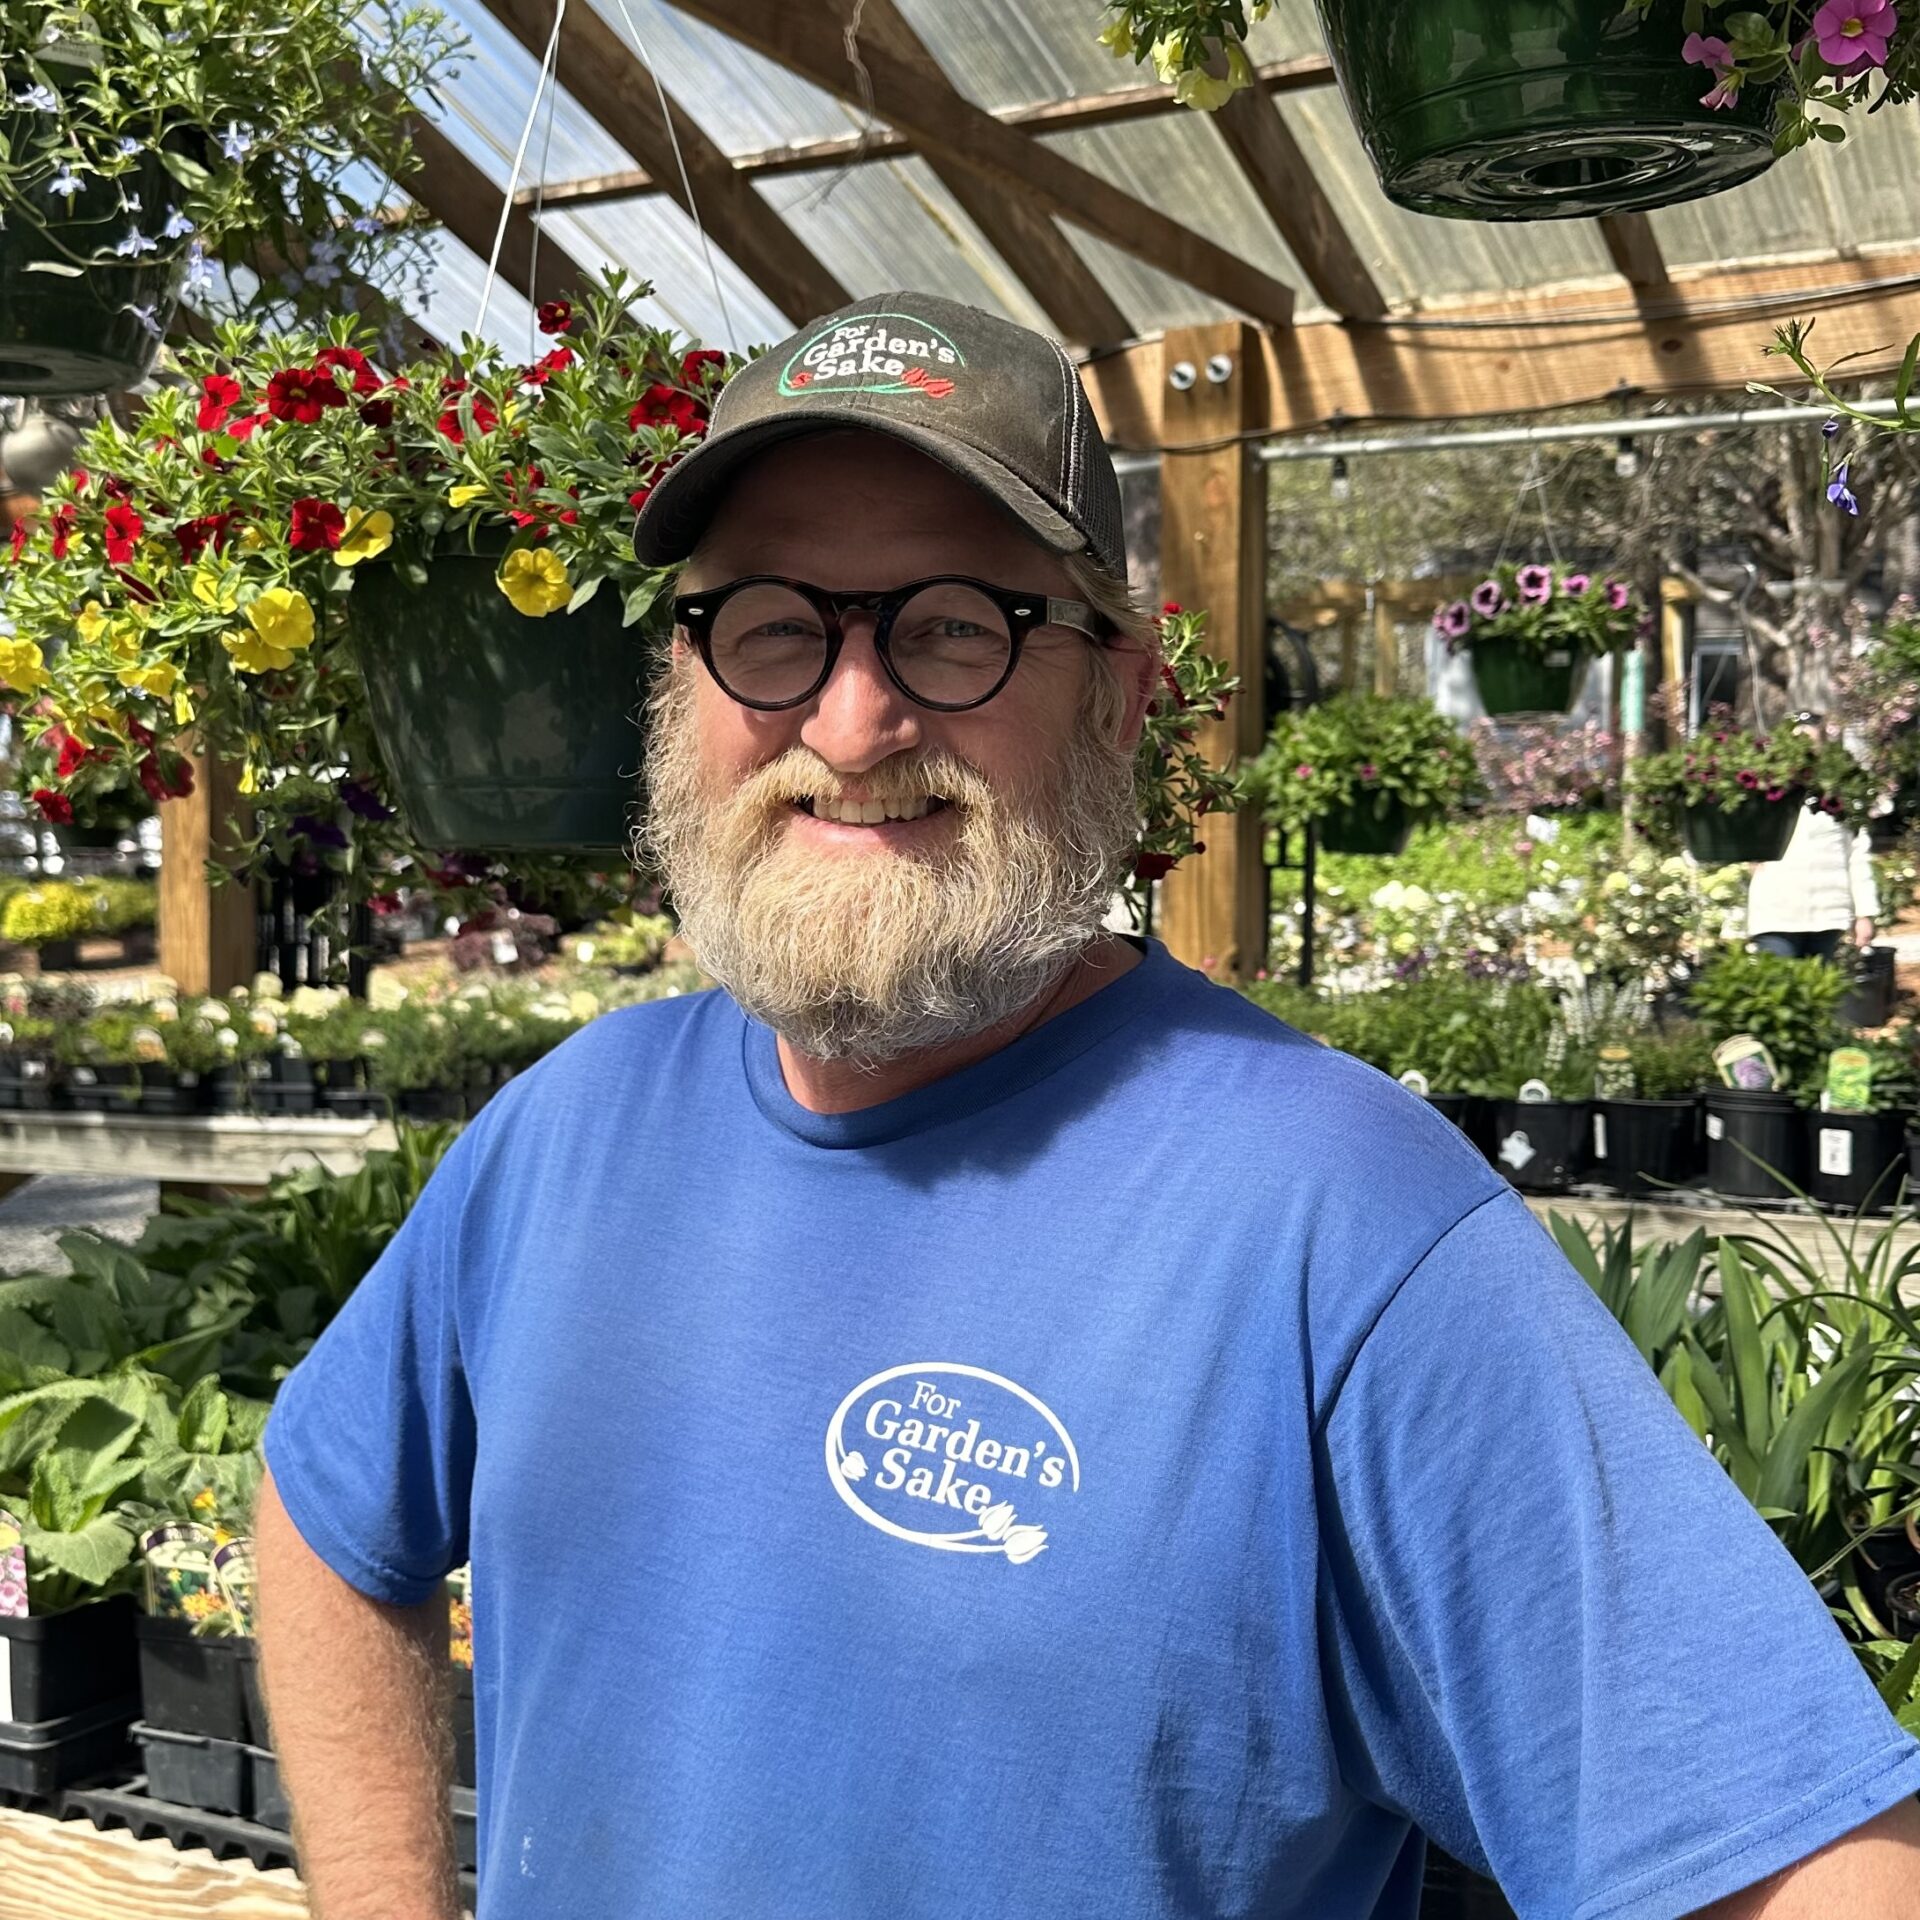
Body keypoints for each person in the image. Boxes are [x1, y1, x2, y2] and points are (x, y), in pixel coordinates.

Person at [256, 293, 1920, 1920]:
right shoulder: (569, 1134)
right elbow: (326, 1514)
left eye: (956, 626)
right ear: (682, 697)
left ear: (1117, 694)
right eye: (771, 626)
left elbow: (1810, 1872)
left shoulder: (1332, 1219)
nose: (852, 721)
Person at [1746, 721, 1879, 962]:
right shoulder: (1766, 797)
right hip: (1776, 914)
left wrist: (1864, 914)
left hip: (1828, 916)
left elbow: (1857, 857)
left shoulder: (1839, 798)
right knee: (1779, 991)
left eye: (1811, 746)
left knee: (1820, 993)